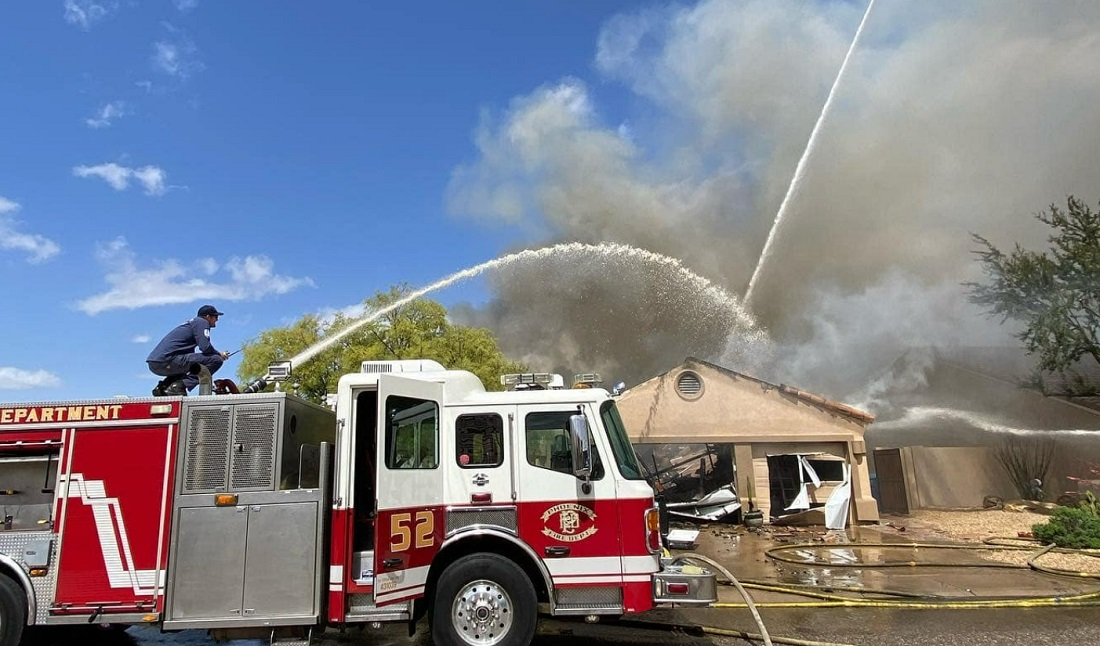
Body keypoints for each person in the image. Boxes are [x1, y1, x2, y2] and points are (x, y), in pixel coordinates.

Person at [147, 305, 231, 396]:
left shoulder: (191, 324)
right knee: (216, 360)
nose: (217, 320)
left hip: (155, 363)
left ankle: (163, 387)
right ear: (208, 316)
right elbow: (205, 347)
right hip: (168, 360)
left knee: (191, 366)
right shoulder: (202, 322)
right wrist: (219, 355)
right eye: (216, 317)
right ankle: (179, 386)